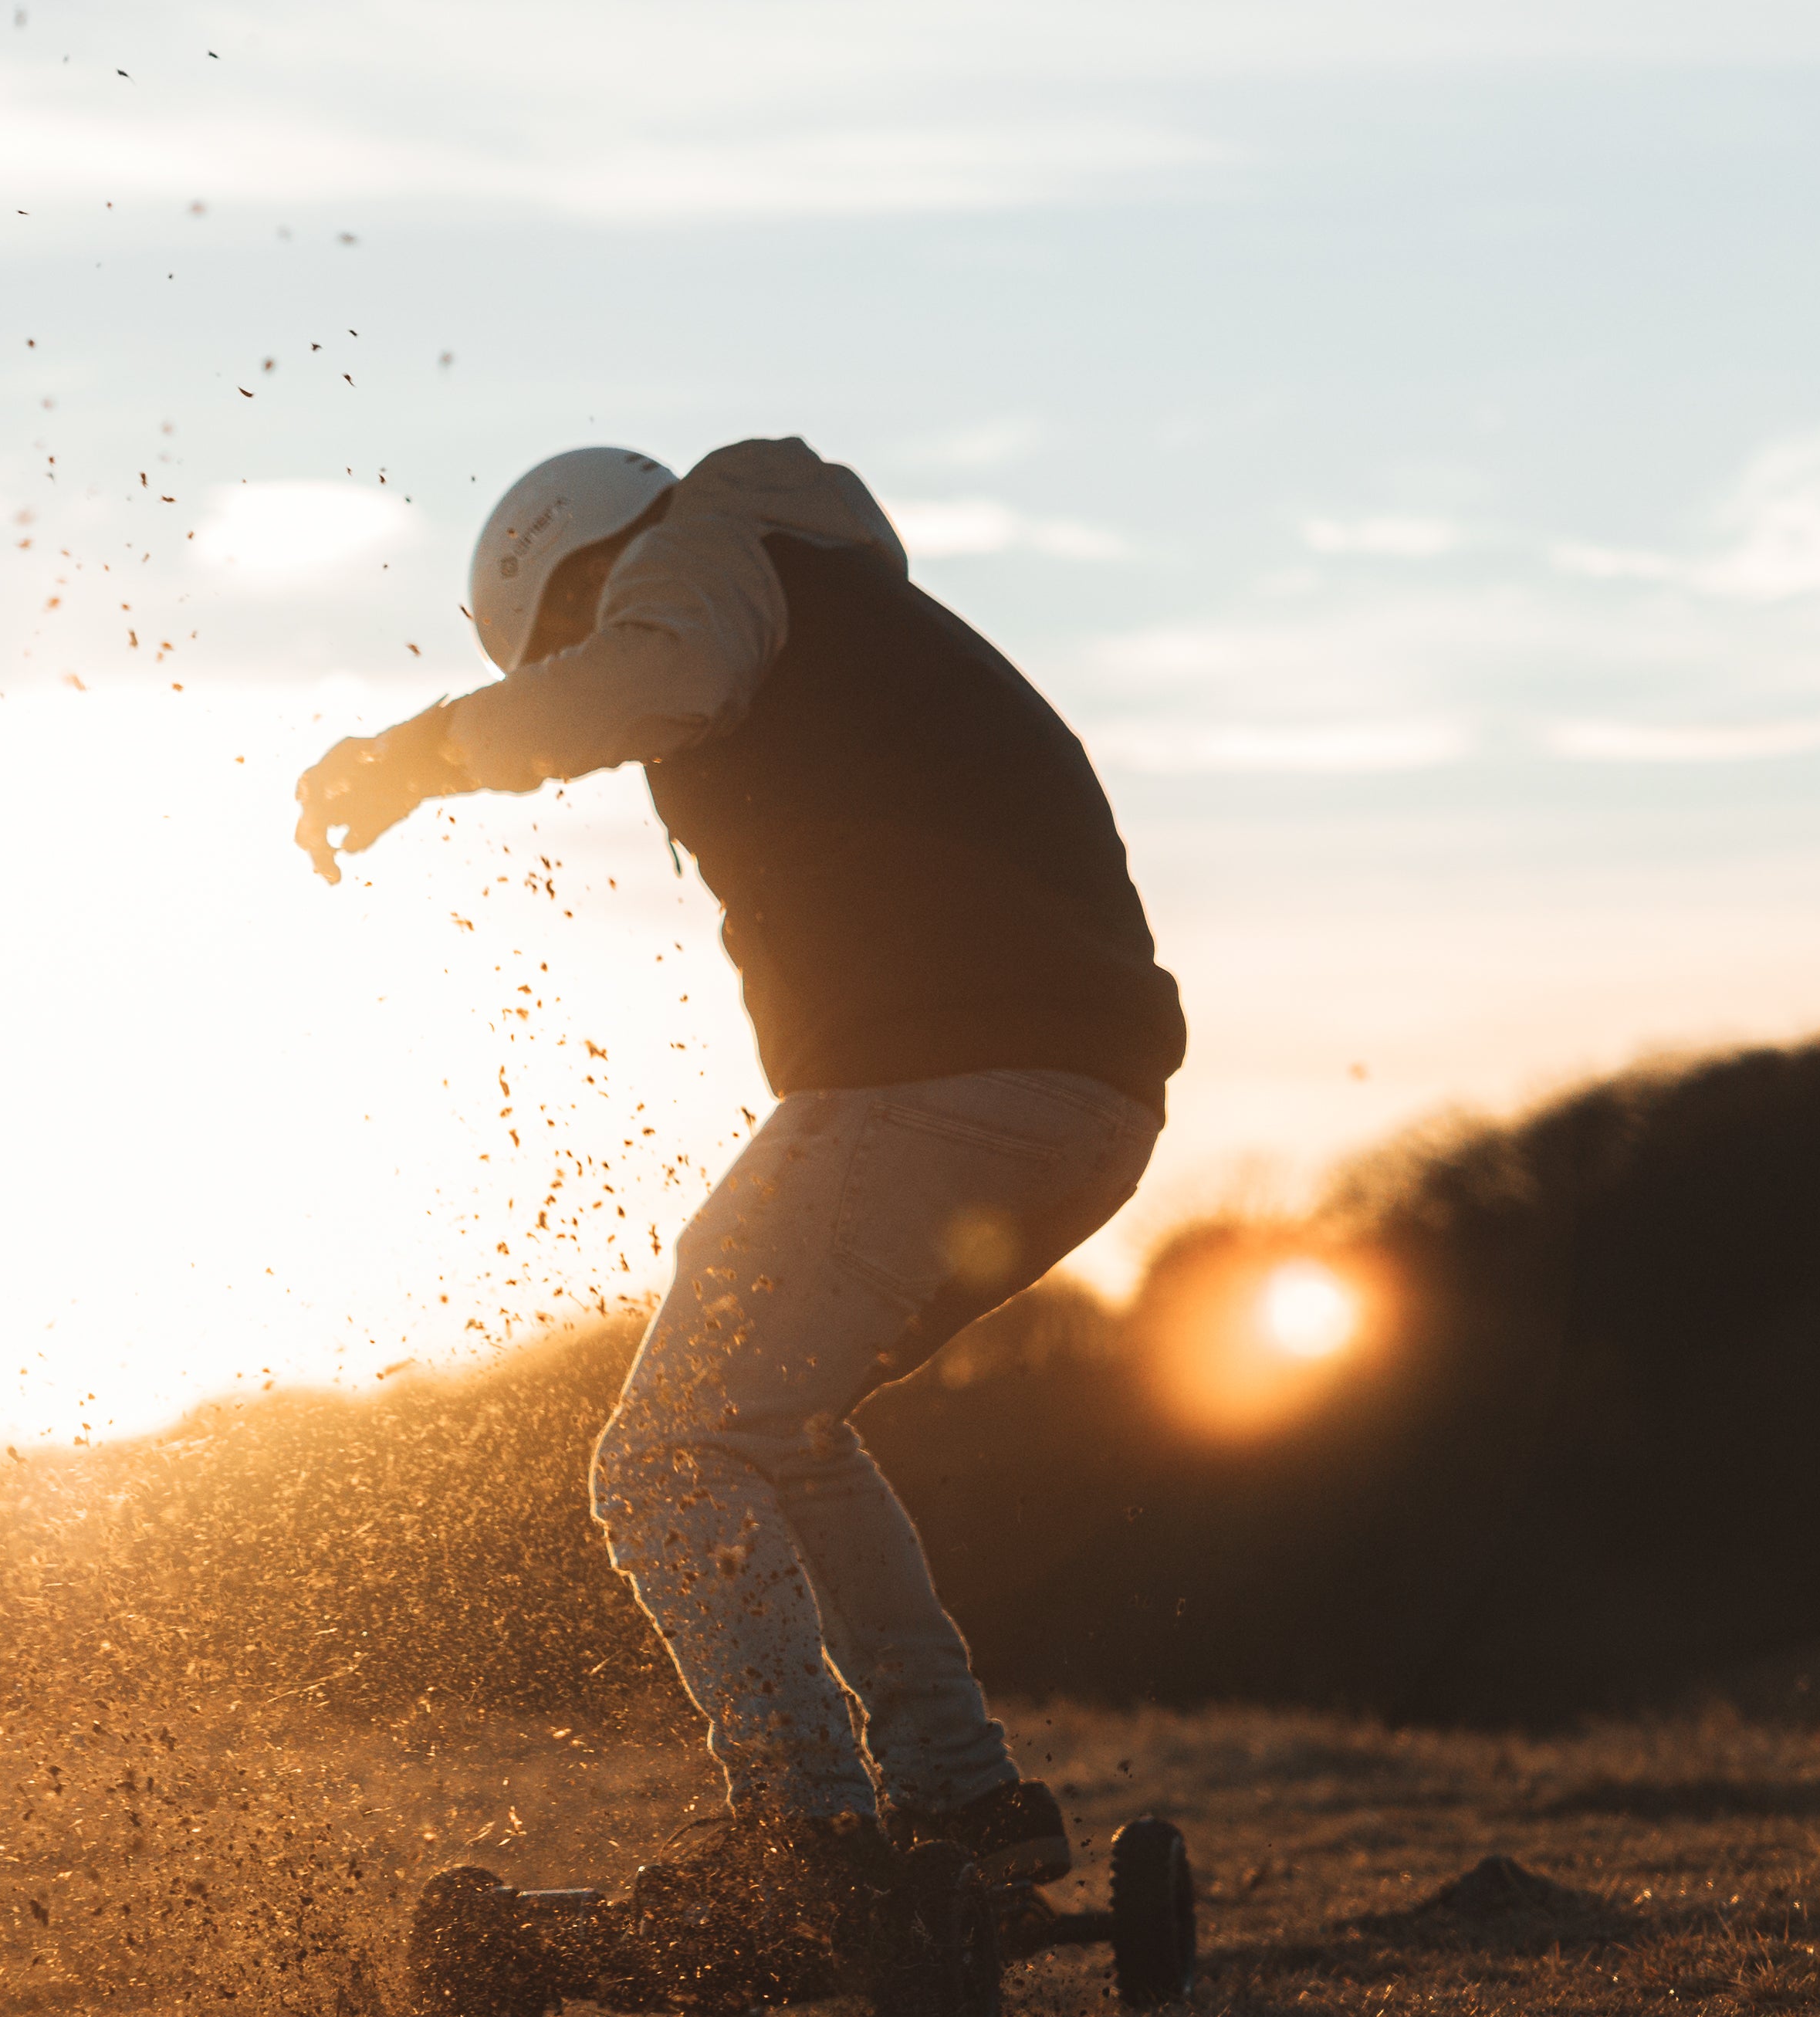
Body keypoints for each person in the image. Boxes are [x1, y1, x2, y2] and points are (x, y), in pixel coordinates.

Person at [293, 437, 1186, 1932]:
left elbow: (662, 676)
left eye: (561, 656)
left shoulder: (706, 553)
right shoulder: (819, 586)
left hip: (947, 1074)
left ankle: (804, 1832)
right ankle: (960, 1795)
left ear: (572, 585)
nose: (575, 690)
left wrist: (419, 757)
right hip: (1082, 1098)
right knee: (776, 1425)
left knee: (666, 1456)